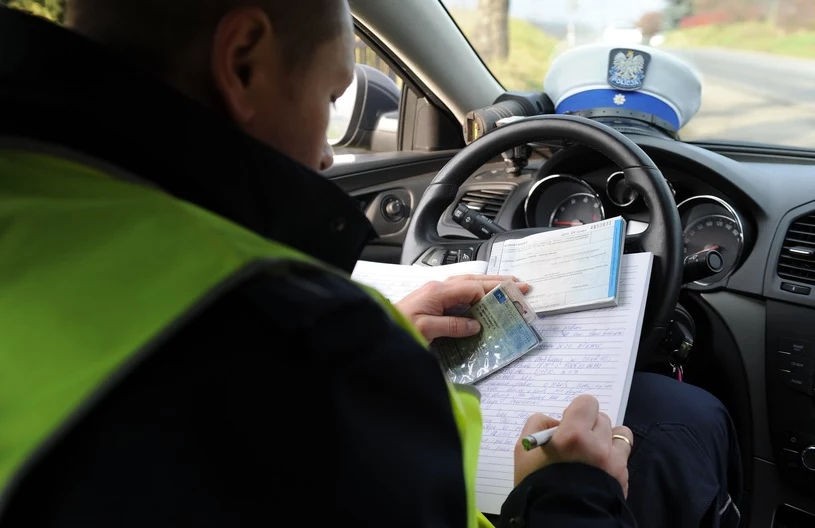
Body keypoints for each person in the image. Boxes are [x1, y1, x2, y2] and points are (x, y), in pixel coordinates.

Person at [0, 2, 740, 527]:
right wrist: (566, 492)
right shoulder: (314, 349)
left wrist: (384, 325)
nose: (327, 154)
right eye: (330, 96)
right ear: (243, 60)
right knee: (690, 417)